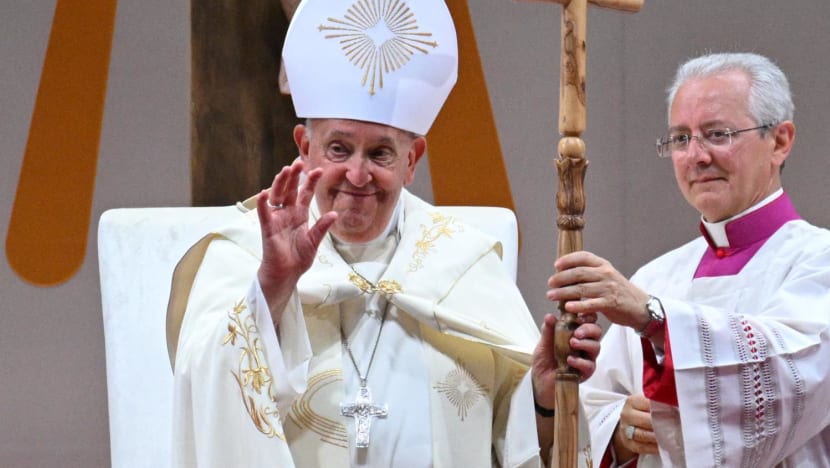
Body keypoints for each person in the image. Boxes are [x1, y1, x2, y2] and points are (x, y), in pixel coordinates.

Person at [168, 0, 601, 466]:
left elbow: (512, 439)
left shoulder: (463, 265)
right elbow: (204, 387)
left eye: (380, 154)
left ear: (412, 160)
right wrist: (271, 289)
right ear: (304, 147)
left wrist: (542, 395)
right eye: (339, 149)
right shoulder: (244, 253)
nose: (357, 175)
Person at [546, 51, 830, 467]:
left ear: (780, 141)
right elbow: (591, 414)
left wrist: (654, 319)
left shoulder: (819, 260)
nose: (696, 156)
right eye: (680, 138)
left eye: (718, 134)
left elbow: (791, 384)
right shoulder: (656, 276)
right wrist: (619, 432)